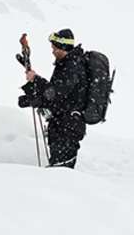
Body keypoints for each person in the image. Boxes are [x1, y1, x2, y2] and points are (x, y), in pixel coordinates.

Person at [19, 29, 89, 168]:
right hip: (62, 126)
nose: (52, 51)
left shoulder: (72, 66)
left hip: (67, 129)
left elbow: (55, 93)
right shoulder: (66, 64)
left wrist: (36, 84)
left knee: (61, 171)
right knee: (58, 170)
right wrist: (34, 89)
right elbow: (55, 92)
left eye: (55, 48)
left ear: (63, 47)